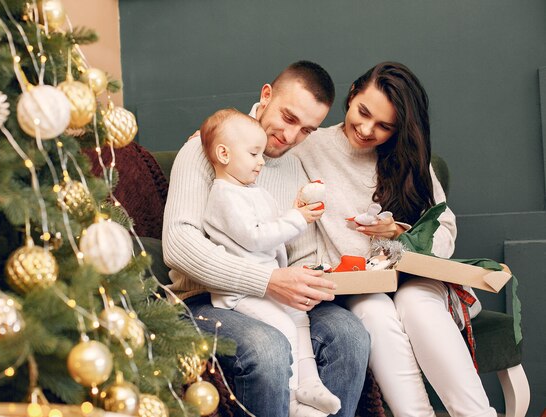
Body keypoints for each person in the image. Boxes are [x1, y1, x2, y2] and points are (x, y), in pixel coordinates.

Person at [162, 61, 370, 417]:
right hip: (204, 300)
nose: (290, 137)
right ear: (266, 95)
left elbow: (296, 247)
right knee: (267, 347)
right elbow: (179, 245)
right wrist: (268, 280)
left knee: (350, 335)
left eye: (306, 130)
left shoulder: (293, 164)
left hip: (274, 296)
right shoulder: (206, 150)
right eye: (288, 118)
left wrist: (309, 278)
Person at [291, 61, 496, 417]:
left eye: (384, 126)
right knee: (374, 310)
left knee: (415, 302)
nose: (367, 130)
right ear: (352, 93)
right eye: (363, 112)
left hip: (418, 280)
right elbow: (264, 137)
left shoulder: (409, 159)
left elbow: (444, 230)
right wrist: (212, 137)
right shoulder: (311, 147)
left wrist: (402, 234)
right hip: (360, 289)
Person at [200, 108, 341, 417]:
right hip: (239, 292)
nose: (261, 161)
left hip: (269, 280)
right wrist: (297, 219)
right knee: (281, 329)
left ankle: (311, 384)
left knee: (299, 314)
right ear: (223, 154)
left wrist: (294, 211)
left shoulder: (254, 192)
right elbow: (255, 238)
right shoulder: (223, 195)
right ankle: (291, 403)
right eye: (253, 153)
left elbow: (274, 233)